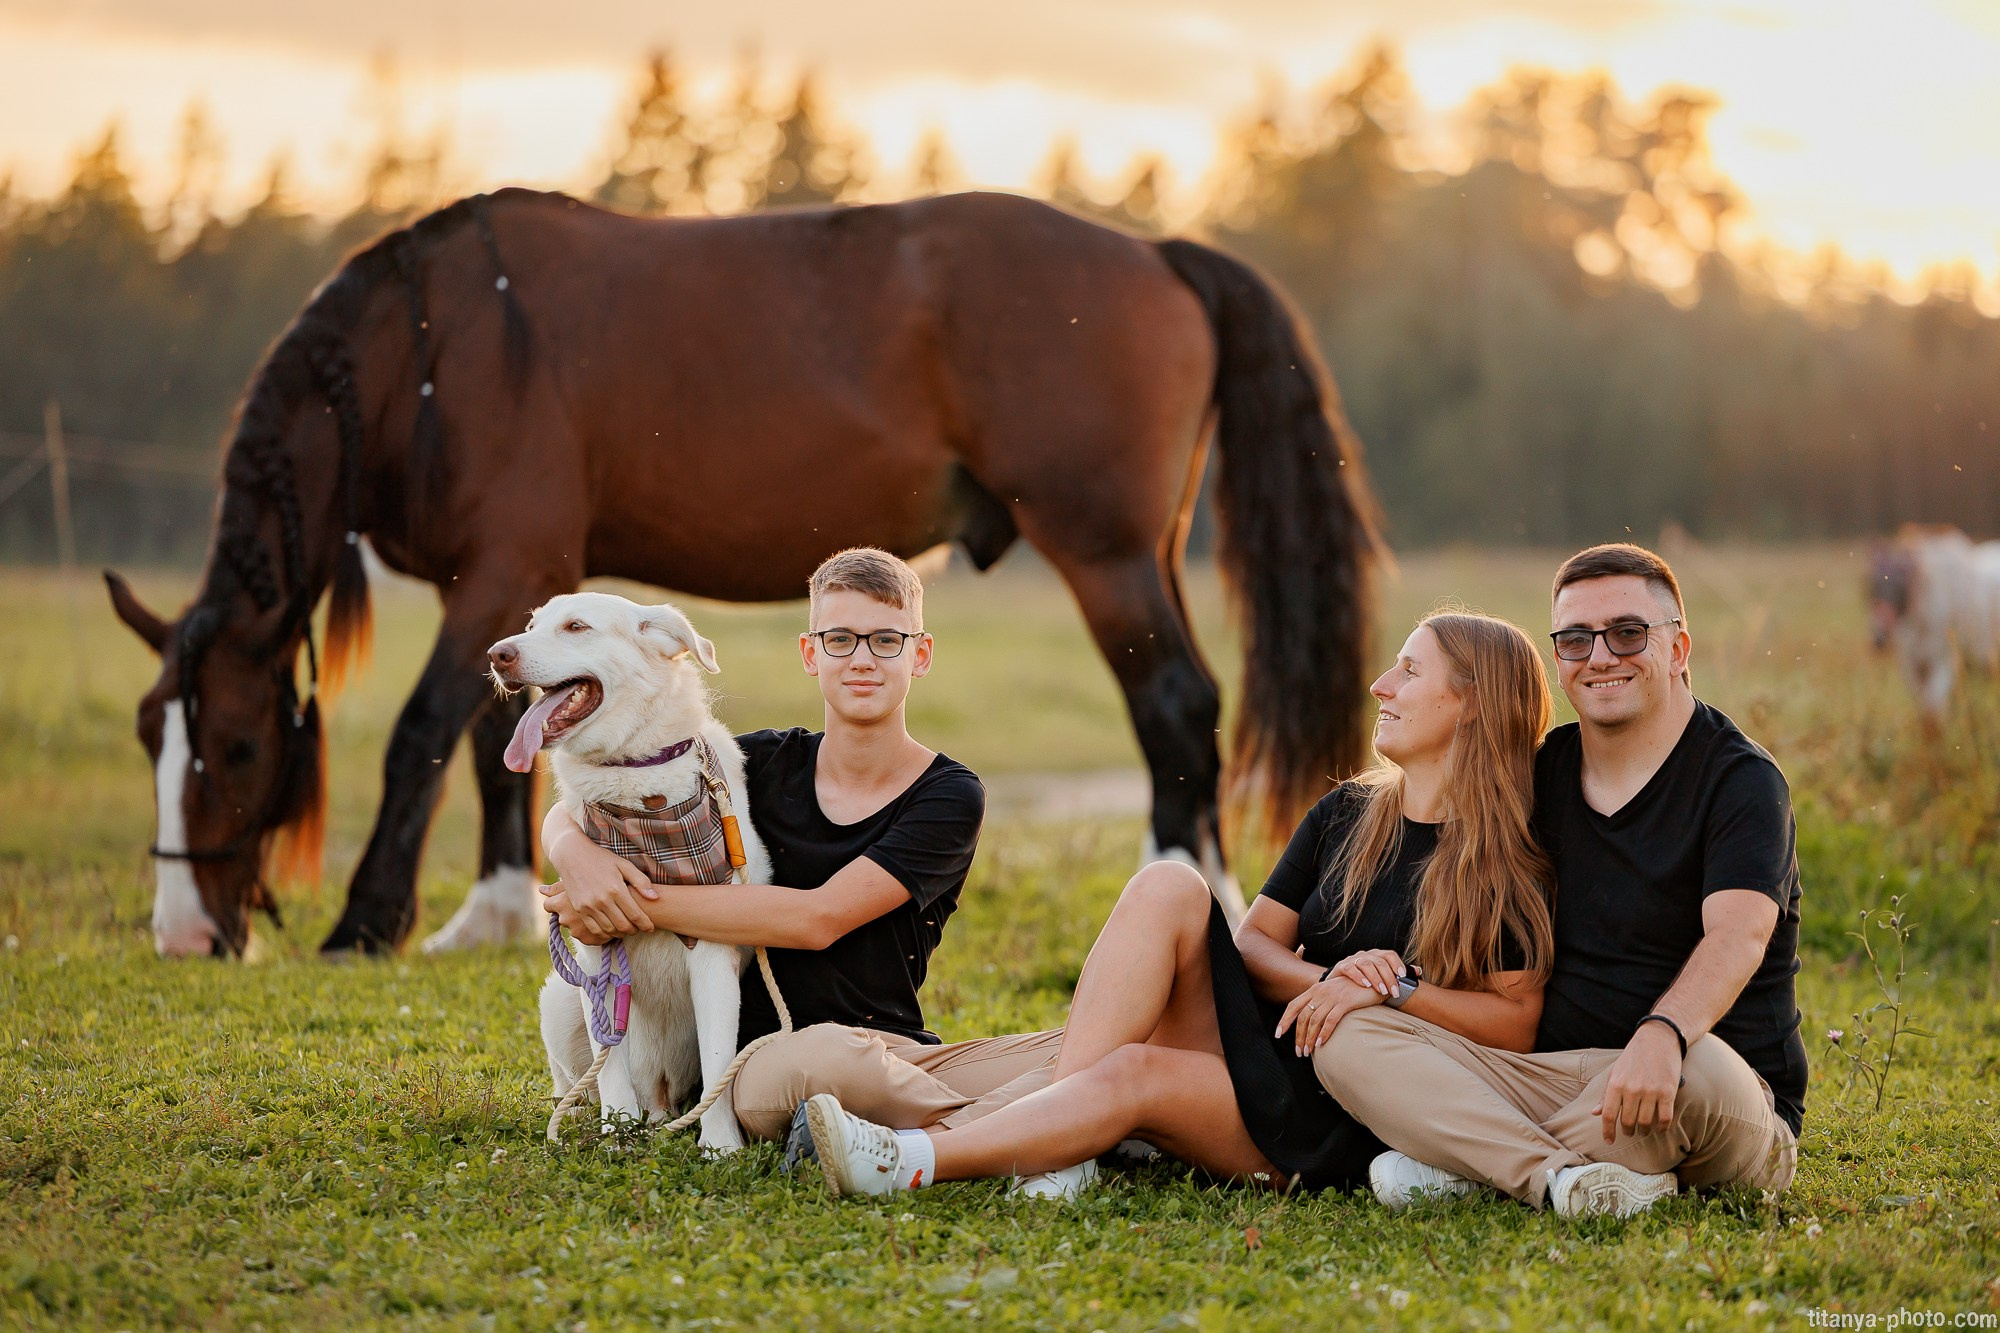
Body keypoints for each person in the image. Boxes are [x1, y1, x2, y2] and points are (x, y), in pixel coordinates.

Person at [802, 611, 1557, 1199]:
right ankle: (1059, 1138)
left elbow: (1517, 1022)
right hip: (1269, 1046)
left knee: (1135, 1072)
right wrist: (1328, 983)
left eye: (1410, 670)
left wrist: (1389, 992)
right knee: (1171, 882)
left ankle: (909, 1159)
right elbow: (1256, 947)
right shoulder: (1347, 813)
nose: (1380, 685)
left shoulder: (1508, 858)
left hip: (1341, 1110)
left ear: (1471, 703)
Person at [1316, 543, 1804, 1218]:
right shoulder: (1538, 775)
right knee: (1348, 1036)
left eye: (1628, 632)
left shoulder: (1741, 781)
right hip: (1551, 1079)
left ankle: (1475, 1164)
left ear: (1678, 647)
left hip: (1701, 1076)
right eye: (1575, 639)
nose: (1600, 655)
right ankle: (1560, 1178)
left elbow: (1740, 933)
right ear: (1560, 662)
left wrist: (1663, 1033)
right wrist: (1388, 977)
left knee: (1706, 1075)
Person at [538, 548, 1061, 1148]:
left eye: (886, 640)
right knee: (829, 1061)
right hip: (767, 1060)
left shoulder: (949, 794)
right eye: (840, 639)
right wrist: (573, 851)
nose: (862, 659)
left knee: (1085, 1048)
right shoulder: (753, 764)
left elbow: (818, 919)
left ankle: (1055, 1111)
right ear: (811, 654)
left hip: (896, 1050)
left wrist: (629, 906)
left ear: (920, 655)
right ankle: (1035, 1126)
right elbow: (621, 790)